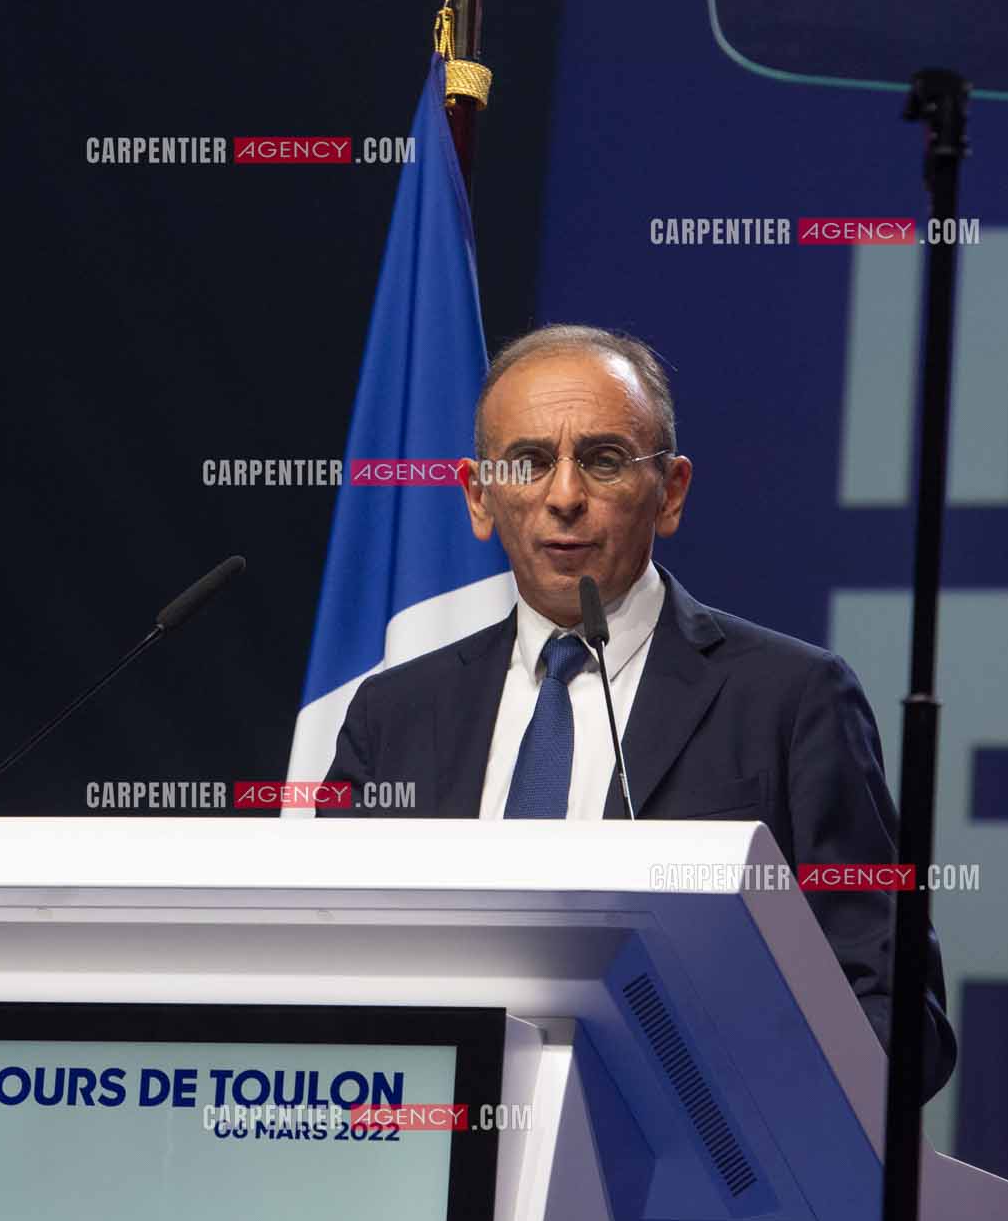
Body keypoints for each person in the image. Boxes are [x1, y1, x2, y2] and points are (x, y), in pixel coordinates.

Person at [322, 323, 956, 1100]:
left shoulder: (793, 700)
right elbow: (332, 964)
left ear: (672, 492)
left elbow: (895, 1013)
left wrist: (747, 1114)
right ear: (479, 498)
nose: (563, 497)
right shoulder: (395, 715)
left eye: (603, 460)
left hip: (695, 1186)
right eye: (528, 463)